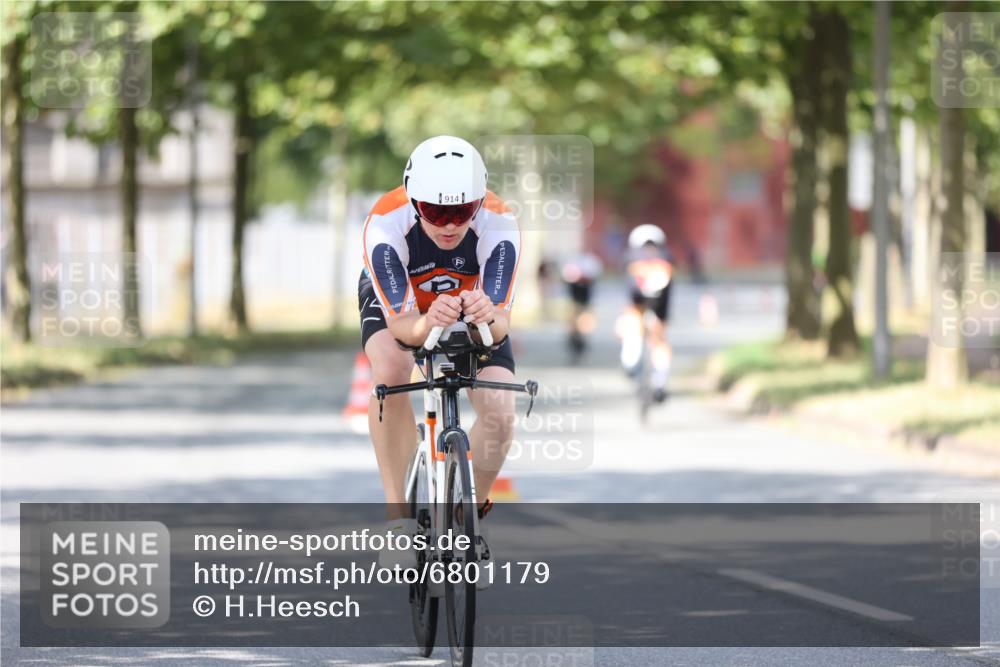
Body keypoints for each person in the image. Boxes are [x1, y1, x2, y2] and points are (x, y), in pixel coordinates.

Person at [359, 135, 520, 573]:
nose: (449, 225)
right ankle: (399, 521)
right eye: (434, 211)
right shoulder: (384, 224)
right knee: (391, 371)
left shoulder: (500, 222)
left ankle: (469, 518)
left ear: (479, 202)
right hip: (406, 306)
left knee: (502, 410)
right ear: (413, 201)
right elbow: (401, 327)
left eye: (463, 212)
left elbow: (501, 323)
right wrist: (429, 322)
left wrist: (487, 316)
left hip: (472, 304)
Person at [617, 224, 674, 403]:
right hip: (639, 305)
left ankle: (658, 380)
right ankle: (634, 363)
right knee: (634, 328)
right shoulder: (635, 260)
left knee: (658, 340)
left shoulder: (662, 261)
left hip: (656, 306)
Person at [560, 251, 603, 361]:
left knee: (584, 319)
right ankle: (573, 338)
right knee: (573, 318)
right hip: (574, 297)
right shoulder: (572, 261)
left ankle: (581, 339)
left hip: (584, 298)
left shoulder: (590, 262)